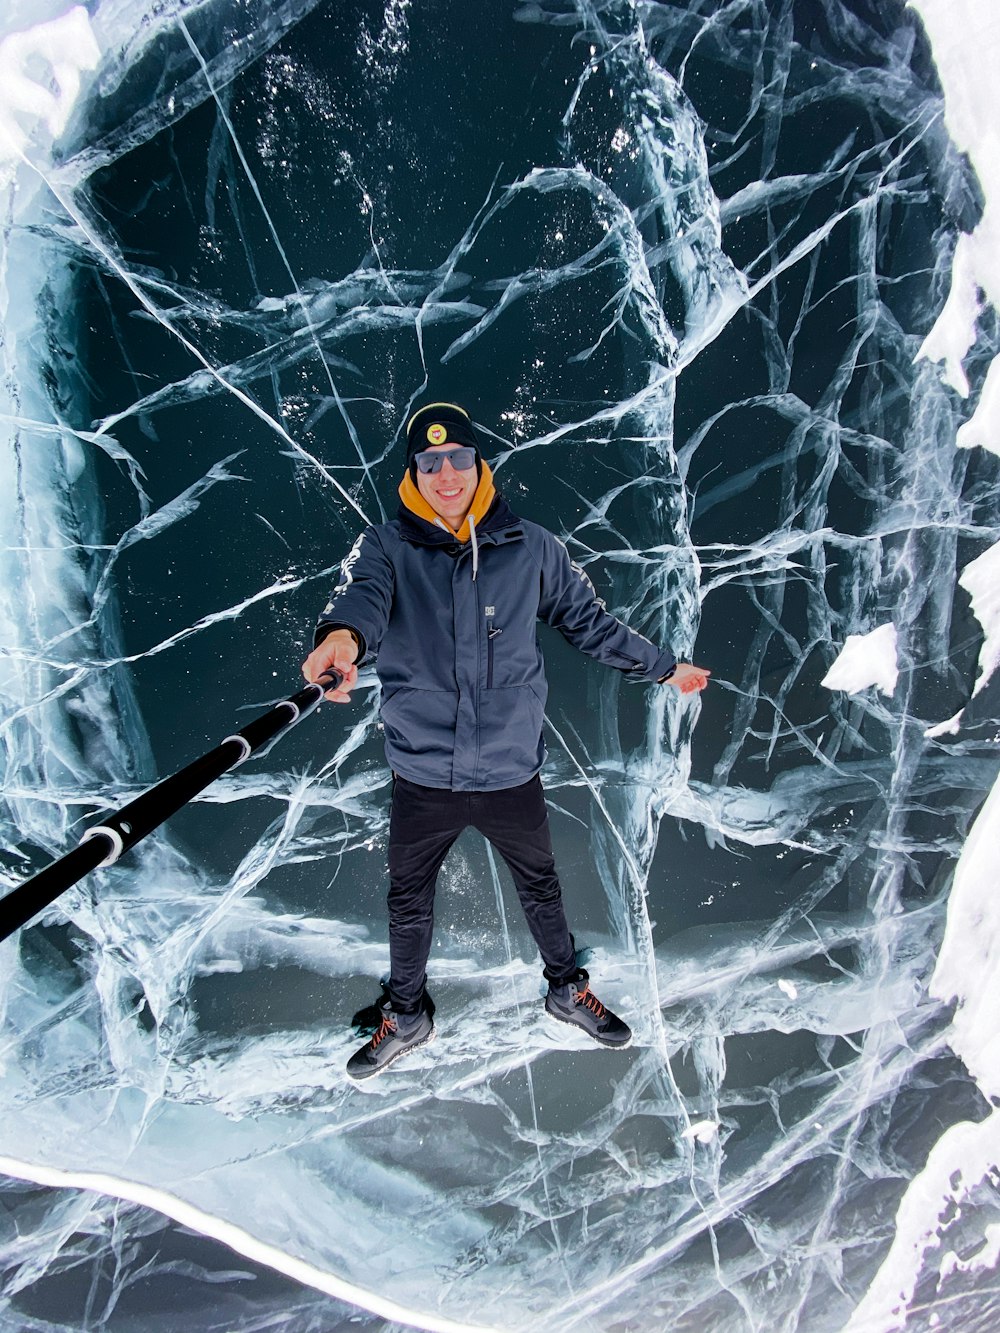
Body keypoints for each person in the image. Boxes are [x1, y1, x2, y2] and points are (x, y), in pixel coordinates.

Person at [302, 402, 709, 1080]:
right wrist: (337, 641)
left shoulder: (534, 549)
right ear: (415, 471)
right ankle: (407, 1016)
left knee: (541, 889)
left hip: (508, 770)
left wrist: (665, 667)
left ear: (479, 461)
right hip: (423, 773)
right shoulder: (389, 548)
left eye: (458, 457)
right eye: (429, 463)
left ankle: (564, 991)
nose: (445, 474)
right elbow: (362, 605)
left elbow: (590, 625)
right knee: (407, 901)